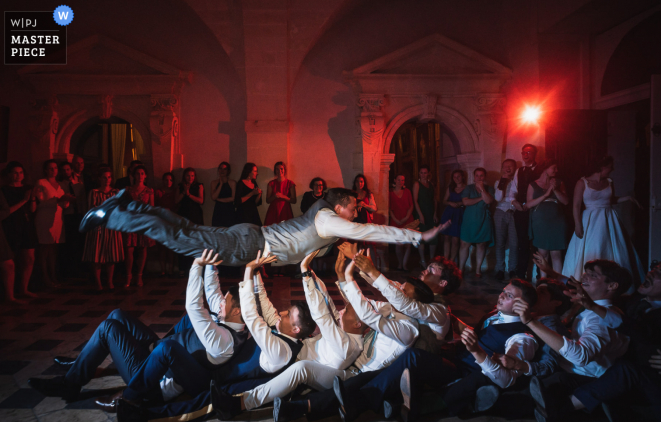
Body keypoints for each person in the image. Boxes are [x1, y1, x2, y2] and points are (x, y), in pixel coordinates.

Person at [116, 250, 317, 422]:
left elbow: (252, 317)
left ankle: (134, 401)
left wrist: (248, 270)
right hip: (210, 369)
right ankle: (152, 357)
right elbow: (261, 298)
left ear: (296, 329)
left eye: (288, 314)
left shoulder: (280, 351)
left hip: (216, 381)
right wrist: (256, 266)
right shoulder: (281, 329)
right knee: (182, 330)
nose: (281, 313)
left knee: (185, 396)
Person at [28, 250, 249, 405]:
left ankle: (70, 383)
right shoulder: (232, 321)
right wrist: (211, 260)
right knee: (117, 315)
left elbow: (194, 306)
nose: (220, 302)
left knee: (108, 328)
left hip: (153, 377)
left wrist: (195, 266)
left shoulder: (223, 340)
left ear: (237, 311)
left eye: (225, 302)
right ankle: (83, 362)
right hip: (158, 353)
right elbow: (211, 290)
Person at [334, 279, 539, 422]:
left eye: (509, 295)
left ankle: (360, 401)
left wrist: (477, 352)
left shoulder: (522, 338)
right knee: (411, 358)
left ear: (523, 305)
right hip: (457, 361)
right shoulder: (495, 315)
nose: (501, 296)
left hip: (469, 376)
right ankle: (379, 398)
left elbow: (505, 380)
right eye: (503, 291)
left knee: (413, 357)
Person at [81, 187, 447, 267]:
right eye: (355, 207)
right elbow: (369, 231)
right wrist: (418, 235)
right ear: (340, 206)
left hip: (249, 236)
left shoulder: (325, 219)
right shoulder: (329, 218)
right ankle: (111, 215)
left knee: (186, 227)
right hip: (248, 246)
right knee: (181, 237)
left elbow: (361, 238)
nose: (358, 213)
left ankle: (129, 204)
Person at [272, 252, 431, 422]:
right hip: (351, 362)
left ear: (413, 305)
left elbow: (368, 316)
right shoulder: (388, 308)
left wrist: (350, 276)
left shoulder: (408, 328)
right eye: (400, 286)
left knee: (333, 386)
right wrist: (342, 277)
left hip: (363, 373)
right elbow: (359, 304)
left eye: (403, 290)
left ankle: (294, 407)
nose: (396, 289)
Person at [209, 250, 368, 419]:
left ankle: (240, 404)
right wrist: (311, 273)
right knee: (279, 324)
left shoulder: (347, 345)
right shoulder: (341, 331)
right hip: (293, 353)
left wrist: (305, 273)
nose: (343, 310)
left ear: (358, 323)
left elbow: (322, 315)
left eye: (347, 310)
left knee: (301, 368)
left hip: (329, 376)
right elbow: (326, 302)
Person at [557, 258, 661, 422]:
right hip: (622, 378)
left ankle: (561, 409)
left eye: (660, 273)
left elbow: (643, 332)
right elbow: (605, 296)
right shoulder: (638, 299)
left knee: (624, 369)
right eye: (653, 268)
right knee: (568, 377)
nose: (651, 272)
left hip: (657, 387)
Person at [515, 259, 632, 422]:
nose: (584, 277)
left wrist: (531, 322)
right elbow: (571, 284)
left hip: (583, 376)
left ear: (612, 286)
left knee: (522, 396)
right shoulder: (595, 307)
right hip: (571, 370)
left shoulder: (601, 319)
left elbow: (581, 356)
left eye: (592, 275)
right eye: (585, 273)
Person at [562, 157, 645, 289]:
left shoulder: (609, 182)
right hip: (590, 219)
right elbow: (576, 205)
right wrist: (578, 224)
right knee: (592, 247)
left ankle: (611, 284)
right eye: (609, 167)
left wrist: (628, 198)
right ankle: (587, 283)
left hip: (608, 219)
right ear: (601, 167)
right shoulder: (582, 182)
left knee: (610, 247)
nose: (612, 169)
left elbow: (610, 200)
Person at [0, 162, 38, 300]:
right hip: (10, 226)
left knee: (29, 257)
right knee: (12, 258)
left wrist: (32, 198)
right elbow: (6, 212)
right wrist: (24, 200)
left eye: (21, 172)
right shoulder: (4, 190)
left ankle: (24, 288)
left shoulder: (27, 188)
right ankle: (11, 291)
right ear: (9, 174)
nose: (18, 175)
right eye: (15, 172)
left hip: (26, 224)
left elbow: (33, 209)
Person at [82, 168, 124, 290]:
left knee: (111, 255)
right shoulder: (94, 192)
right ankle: (98, 283)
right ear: (99, 178)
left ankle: (110, 282)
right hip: (98, 227)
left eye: (109, 177)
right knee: (97, 256)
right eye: (104, 177)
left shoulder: (115, 193)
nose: (107, 180)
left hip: (112, 227)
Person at [526, 159, 569, 276]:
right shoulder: (533, 184)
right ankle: (543, 283)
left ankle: (558, 283)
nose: (556, 170)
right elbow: (528, 204)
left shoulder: (559, 183)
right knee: (542, 254)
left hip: (557, 221)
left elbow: (565, 201)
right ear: (545, 168)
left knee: (556, 254)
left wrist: (554, 189)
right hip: (540, 222)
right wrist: (545, 195)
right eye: (554, 168)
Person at [35, 159, 70, 288]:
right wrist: (57, 200)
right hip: (45, 217)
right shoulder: (41, 183)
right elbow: (40, 202)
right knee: (45, 248)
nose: (53, 170)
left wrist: (66, 200)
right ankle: (44, 277)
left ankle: (53, 275)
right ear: (45, 170)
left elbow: (63, 204)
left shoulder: (60, 184)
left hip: (57, 218)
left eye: (55, 168)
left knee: (54, 248)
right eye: (50, 168)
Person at [459, 167, 495, 279]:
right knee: (464, 244)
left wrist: (482, 189)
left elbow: (489, 201)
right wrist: (480, 198)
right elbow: (465, 202)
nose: (479, 178)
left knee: (481, 245)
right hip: (469, 220)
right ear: (474, 177)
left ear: (485, 177)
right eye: (477, 175)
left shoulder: (489, 189)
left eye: (481, 175)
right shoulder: (468, 188)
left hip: (484, 220)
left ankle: (478, 269)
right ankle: (460, 268)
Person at [123, 165, 155, 287]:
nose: (140, 176)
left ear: (145, 175)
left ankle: (139, 275)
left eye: (142, 173)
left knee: (142, 248)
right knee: (129, 248)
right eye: (138, 173)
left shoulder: (149, 190)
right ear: (134, 175)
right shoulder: (128, 190)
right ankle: (128, 275)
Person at [511, 144, 539, 279]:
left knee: (537, 243)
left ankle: (539, 275)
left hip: (537, 210)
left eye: (529, 152)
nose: (525, 155)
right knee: (522, 243)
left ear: (534, 154)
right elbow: (513, 190)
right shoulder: (519, 171)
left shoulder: (541, 169)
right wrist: (514, 202)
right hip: (521, 210)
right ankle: (521, 275)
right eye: (523, 152)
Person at [493, 159, 520, 281]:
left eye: (511, 166)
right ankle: (499, 269)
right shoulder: (498, 182)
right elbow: (498, 198)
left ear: (515, 168)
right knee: (500, 242)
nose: (508, 168)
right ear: (502, 168)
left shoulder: (518, 181)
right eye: (505, 166)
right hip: (500, 212)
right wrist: (503, 182)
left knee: (514, 243)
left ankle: (512, 269)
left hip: (514, 212)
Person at [175, 167, 204, 275]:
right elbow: (176, 200)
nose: (190, 178)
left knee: (196, 241)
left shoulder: (199, 186)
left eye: (192, 175)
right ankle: (183, 267)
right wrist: (184, 192)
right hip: (183, 215)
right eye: (188, 175)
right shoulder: (180, 186)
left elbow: (201, 200)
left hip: (195, 215)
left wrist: (189, 194)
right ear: (184, 176)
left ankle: (196, 267)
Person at [57, 161, 81, 277]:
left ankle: (79, 268)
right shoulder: (61, 184)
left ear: (71, 170)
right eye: (64, 170)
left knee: (78, 241)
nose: (66, 172)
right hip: (68, 214)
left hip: (79, 213)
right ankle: (69, 270)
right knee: (69, 242)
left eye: (68, 169)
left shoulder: (78, 183)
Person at [413, 165, 438, 269]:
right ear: (419, 173)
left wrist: (435, 213)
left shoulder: (431, 184)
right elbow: (415, 200)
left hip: (431, 212)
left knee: (433, 237)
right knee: (421, 237)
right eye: (421, 173)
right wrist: (420, 215)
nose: (423, 175)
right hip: (421, 212)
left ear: (428, 173)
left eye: (425, 172)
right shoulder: (417, 184)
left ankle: (431, 260)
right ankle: (422, 260)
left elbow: (435, 200)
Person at [440, 169, 467, 263]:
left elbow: (468, 201)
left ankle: (451, 261)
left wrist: (461, 203)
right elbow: (444, 201)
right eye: (454, 177)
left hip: (459, 214)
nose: (456, 178)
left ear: (462, 176)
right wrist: (450, 203)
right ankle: (445, 259)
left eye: (458, 176)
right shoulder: (450, 188)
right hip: (449, 213)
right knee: (446, 237)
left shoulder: (467, 188)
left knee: (455, 239)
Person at [389, 174, 414, 271]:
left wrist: (407, 217)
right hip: (396, 219)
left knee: (407, 243)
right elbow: (389, 208)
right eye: (399, 180)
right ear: (395, 180)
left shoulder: (407, 191)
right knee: (399, 244)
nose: (401, 182)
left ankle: (405, 265)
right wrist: (395, 219)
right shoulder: (390, 193)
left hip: (407, 219)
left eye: (403, 180)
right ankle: (400, 264)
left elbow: (411, 205)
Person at [155, 172, 177, 276]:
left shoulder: (175, 192)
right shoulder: (158, 192)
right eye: (166, 180)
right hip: (161, 221)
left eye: (170, 180)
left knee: (171, 246)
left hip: (171, 221)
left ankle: (170, 269)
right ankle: (162, 270)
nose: (168, 182)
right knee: (161, 248)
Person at [264, 161, 296, 226]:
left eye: (281, 169)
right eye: (277, 169)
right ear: (275, 171)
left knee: (285, 231)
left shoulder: (290, 183)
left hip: (285, 210)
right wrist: (274, 196)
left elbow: (294, 200)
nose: (279, 171)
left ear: (284, 170)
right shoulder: (271, 183)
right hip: (273, 210)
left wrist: (283, 196)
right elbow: (267, 200)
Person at [211, 161, 236, 227]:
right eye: (220, 168)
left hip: (229, 210)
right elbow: (213, 197)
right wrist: (221, 184)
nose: (222, 170)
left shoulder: (232, 183)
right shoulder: (214, 183)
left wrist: (219, 200)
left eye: (224, 169)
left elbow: (232, 198)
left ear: (228, 171)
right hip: (218, 210)